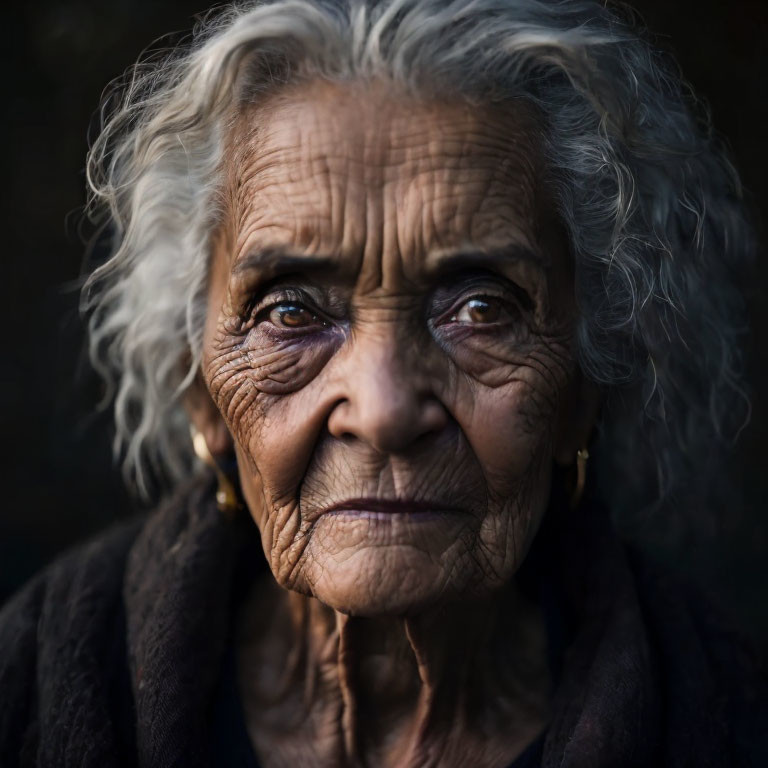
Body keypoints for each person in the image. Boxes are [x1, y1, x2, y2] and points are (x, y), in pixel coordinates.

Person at [1, 0, 766, 765]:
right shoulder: (30, 688)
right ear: (198, 390)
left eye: (480, 308)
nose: (384, 409)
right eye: (290, 311)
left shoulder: (729, 722)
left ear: (584, 387)